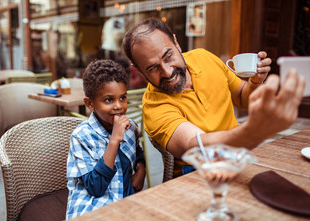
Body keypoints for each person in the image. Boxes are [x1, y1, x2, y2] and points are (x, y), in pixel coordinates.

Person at [122, 18, 305, 178]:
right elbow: (195, 145)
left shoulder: (204, 58)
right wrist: (254, 130)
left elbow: (242, 97)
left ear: (177, 43)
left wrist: (255, 82)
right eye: (153, 68)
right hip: (196, 172)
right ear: (139, 70)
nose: (168, 72)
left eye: (168, 56)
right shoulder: (153, 105)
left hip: (241, 154)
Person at [66, 59, 146, 219]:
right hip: (93, 207)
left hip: (125, 202)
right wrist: (114, 140)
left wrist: (141, 169)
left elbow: (137, 151)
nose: (118, 106)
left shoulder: (131, 128)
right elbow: (96, 188)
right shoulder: (81, 137)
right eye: (109, 100)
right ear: (90, 103)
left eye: (123, 98)